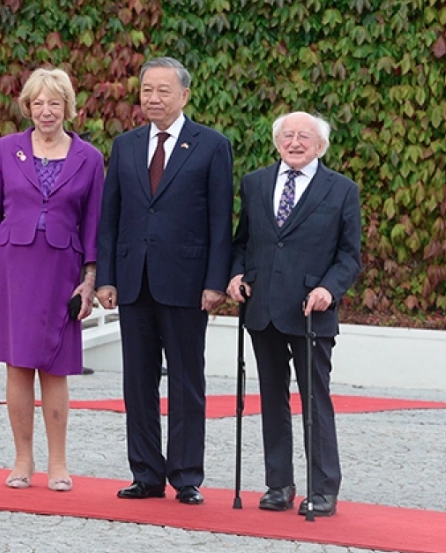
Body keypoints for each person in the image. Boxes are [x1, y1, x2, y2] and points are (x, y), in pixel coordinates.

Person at [96, 56, 233, 506]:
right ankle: (146, 473)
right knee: (137, 382)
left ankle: (187, 475)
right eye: (146, 90)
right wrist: (106, 277)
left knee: (187, 382)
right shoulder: (126, 146)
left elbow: (219, 220)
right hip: (134, 282)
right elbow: (110, 218)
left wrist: (215, 281)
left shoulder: (211, 146)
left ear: (184, 95)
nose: (153, 98)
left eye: (163, 91)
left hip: (188, 284)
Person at [0, 67, 105, 492]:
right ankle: (22, 460)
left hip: (63, 268)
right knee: (18, 365)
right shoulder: (8, 150)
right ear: (28, 107)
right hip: (13, 267)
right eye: (38, 103)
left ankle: (58, 463)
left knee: (57, 367)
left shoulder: (90, 158)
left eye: (55, 103)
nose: (46, 111)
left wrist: (90, 280)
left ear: (67, 107)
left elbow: (94, 223)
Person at [227, 112, 362, 518]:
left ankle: (323, 488)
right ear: (276, 142)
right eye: (288, 135)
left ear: (321, 145)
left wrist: (328, 289)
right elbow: (243, 242)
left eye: (305, 136)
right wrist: (235, 275)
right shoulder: (256, 183)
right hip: (263, 307)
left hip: (310, 310)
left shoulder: (341, 190)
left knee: (314, 400)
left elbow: (349, 256)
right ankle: (278, 483)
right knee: (271, 398)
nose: (295, 142)